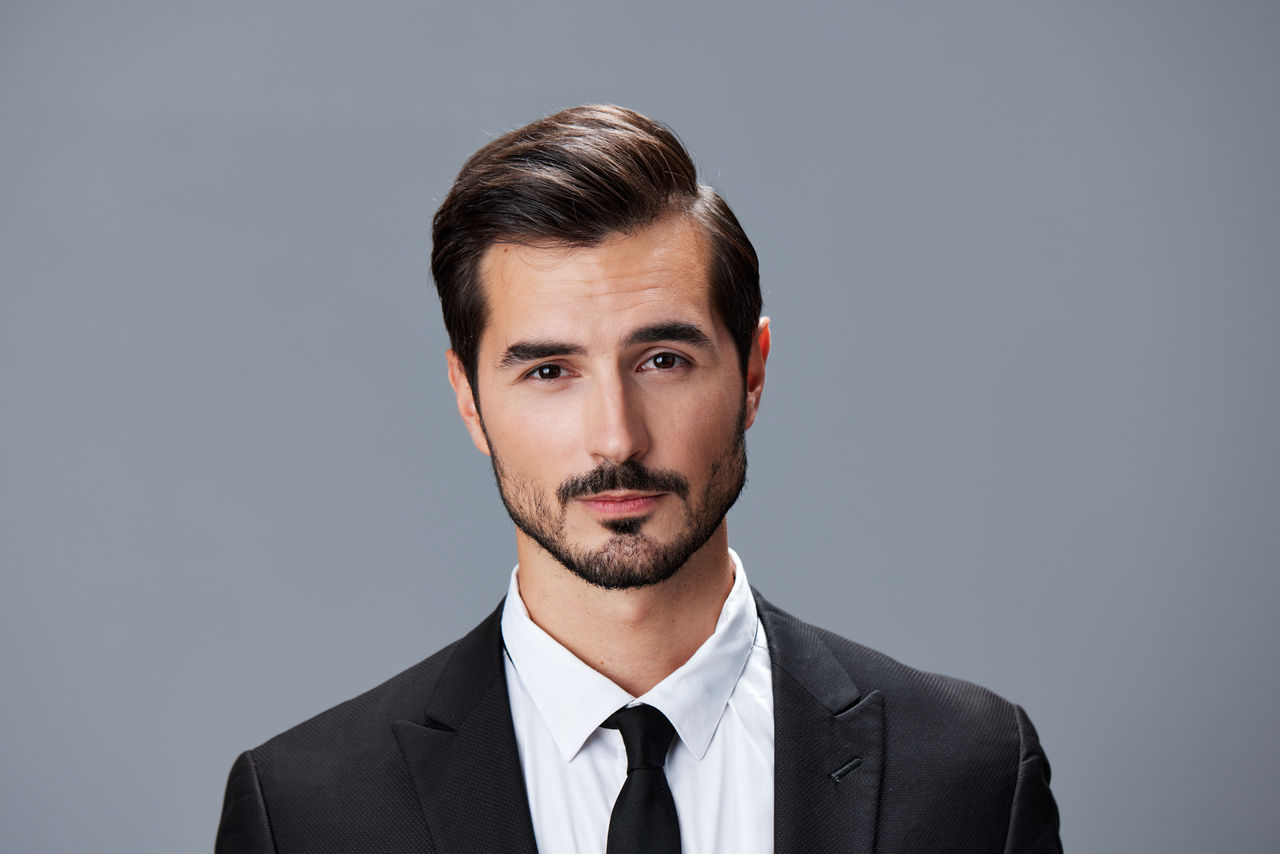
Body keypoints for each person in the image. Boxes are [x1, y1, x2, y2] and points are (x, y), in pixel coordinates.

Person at [215, 104, 1062, 853]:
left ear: (753, 375)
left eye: (662, 359)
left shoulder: (970, 774)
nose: (615, 436)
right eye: (549, 371)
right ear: (469, 402)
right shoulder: (306, 813)